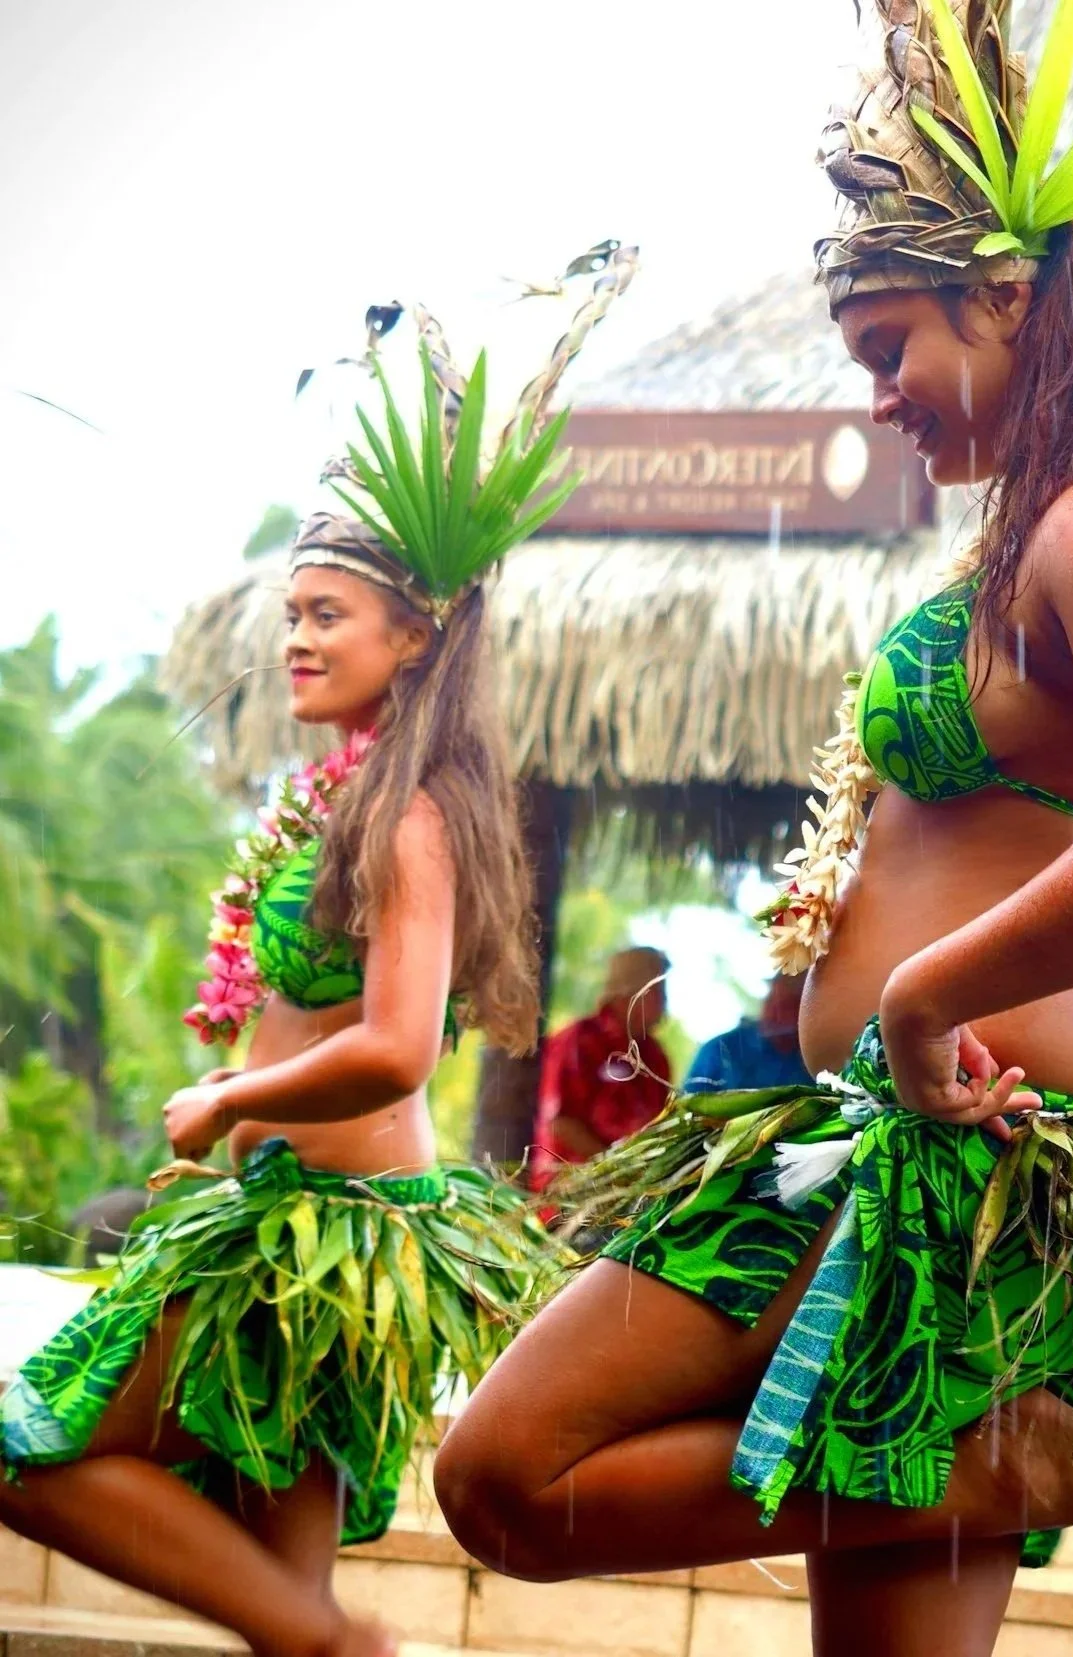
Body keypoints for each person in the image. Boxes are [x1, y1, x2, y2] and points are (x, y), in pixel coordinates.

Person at [431, 7, 1073, 1653]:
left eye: (892, 344)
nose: (885, 396)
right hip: (890, 1133)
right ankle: (997, 1463)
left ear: (1005, 295)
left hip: (948, 1142)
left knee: (507, 1477)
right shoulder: (1042, 526)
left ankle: (1023, 1460)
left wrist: (916, 1002)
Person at [0, 296, 626, 1657]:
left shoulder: (410, 820)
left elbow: (399, 1050)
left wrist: (228, 1107)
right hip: (290, 1223)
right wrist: (232, 1135)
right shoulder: (358, 798)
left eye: (325, 613)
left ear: (416, 636)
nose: (294, 637)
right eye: (290, 612)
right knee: (274, 1588)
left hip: (321, 1240)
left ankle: (346, 1647)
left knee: (28, 1450)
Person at [527, 947, 673, 1190]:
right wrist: (617, 1170)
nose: (665, 1002)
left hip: (632, 1199)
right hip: (569, 1197)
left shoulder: (656, 1057)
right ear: (632, 993)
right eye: (658, 992)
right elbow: (561, 1123)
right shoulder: (578, 1041)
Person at [681, 972, 814, 1093]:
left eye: (788, 1005)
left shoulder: (816, 1058)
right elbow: (690, 1103)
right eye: (772, 999)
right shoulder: (719, 1049)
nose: (776, 1012)